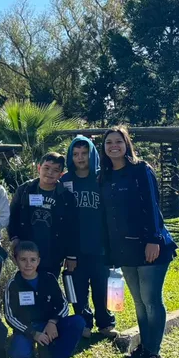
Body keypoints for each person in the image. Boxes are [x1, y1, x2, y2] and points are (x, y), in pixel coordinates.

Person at [100, 127, 177, 358]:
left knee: (151, 300)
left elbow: (152, 206)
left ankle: (154, 354)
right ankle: (144, 348)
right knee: (139, 303)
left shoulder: (141, 170)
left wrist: (153, 239)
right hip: (124, 249)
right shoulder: (105, 177)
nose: (113, 146)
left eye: (118, 141)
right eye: (109, 142)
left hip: (149, 246)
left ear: (127, 144)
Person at [61, 136, 118, 339]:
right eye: (76, 154)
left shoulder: (103, 178)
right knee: (78, 287)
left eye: (84, 153)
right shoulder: (65, 181)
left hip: (100, 245)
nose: (80, 158)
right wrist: (66, 251)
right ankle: (84, 322)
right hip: (75, 247)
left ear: (92, 154)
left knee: (102, 286)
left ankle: (105, 322)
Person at [4, 241, 85, 358]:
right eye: (23, 260)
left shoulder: (49, 278)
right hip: (28, 328)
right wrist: (32, 333)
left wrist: (53, 321)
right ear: (15, 260)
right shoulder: (13, 284)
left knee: (78, 322)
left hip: (49, 324)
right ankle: (33, 351)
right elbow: (10, 316)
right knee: (19, 356)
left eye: (32, 260)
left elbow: (63, 304)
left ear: (38, 261)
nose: (28, 264)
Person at [8, 153, 78, 278]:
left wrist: (71, 255)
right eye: (46, 168)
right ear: (39, 168)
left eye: (55, 170)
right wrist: (14, 238)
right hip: (27, 251)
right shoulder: (25, 190)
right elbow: (13, 216)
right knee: (27, 285)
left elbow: (72, 227)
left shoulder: (66, 196)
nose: (50, 173)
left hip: (52, 253)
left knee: (49, 285)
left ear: (61, 174)